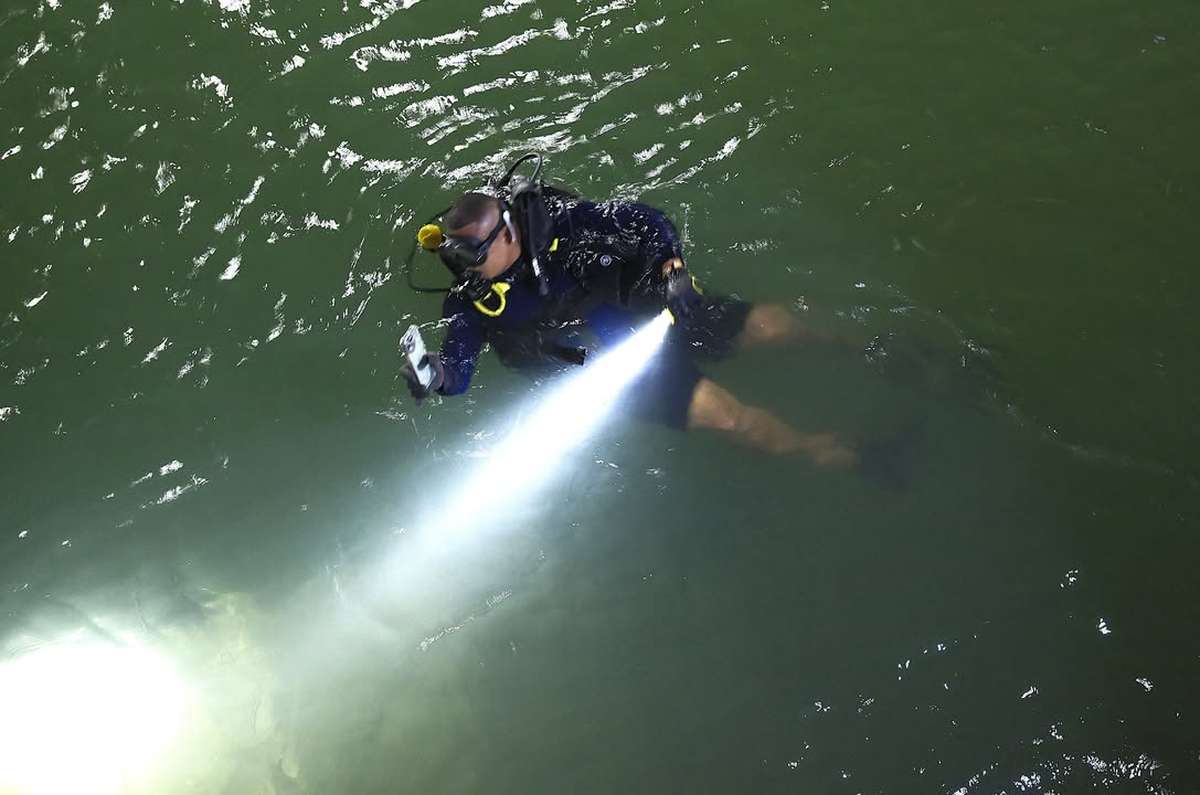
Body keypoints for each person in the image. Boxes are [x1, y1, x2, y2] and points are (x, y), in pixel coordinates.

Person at [401, 161, 857, 469]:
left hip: (645, 308)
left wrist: (672, 270)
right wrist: (435, 375)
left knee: (771, 325)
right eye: (457, 253)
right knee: (729, 418)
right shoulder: (470, 300)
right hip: (601, 364)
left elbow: (647, 221)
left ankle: (863, 344)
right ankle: (833, 452)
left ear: (508, 232)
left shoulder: (561, 221)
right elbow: (458, 371)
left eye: (474, 252)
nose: (466, 265)